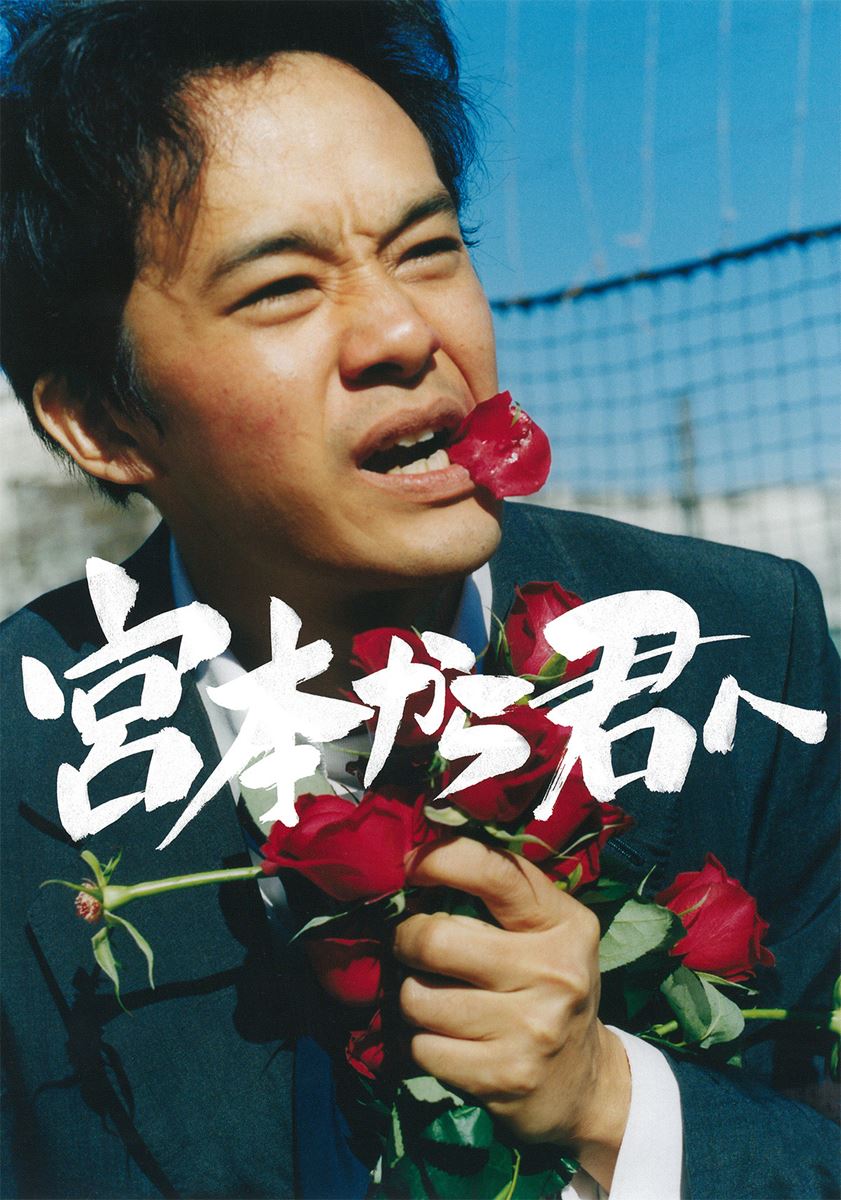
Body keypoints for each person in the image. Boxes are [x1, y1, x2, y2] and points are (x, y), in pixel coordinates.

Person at [0, 3, 837, 1198]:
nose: (404, 330)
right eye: (281, 287)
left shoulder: (742, 652)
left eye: (430, 247)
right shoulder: (24, 765)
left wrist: (614, 1105)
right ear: (103, 422)